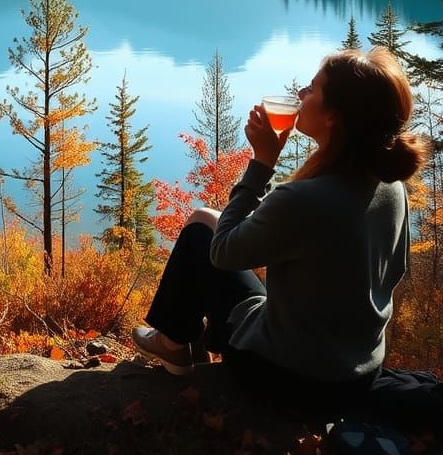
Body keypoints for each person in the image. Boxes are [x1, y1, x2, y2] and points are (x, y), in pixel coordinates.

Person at [132, 47, 427, 418]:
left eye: (312, 89)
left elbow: (222, 251)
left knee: (200, 230)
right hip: (358, 373)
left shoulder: (307, 198)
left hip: (288, 375)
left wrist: (262, 163)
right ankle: (178, 342)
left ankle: (174, 344)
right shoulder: (390, 187)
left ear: (334, 117)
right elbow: (395, 269)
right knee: (210, 222)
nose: (301, 93)